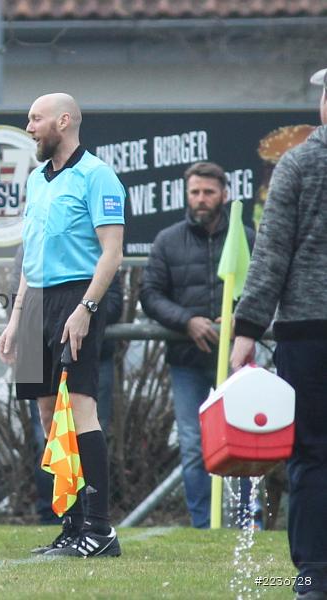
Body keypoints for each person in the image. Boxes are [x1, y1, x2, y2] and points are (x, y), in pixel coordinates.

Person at [0, 93, 124, 557]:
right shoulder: (36, 179)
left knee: (81, 410)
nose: (29, 127)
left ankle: (100, 530)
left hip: (76, 297)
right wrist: (16, 318)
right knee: (48, 415)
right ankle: (71, 527)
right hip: (35, 303)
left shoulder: (97, 175)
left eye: (36, 118)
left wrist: (86, 308)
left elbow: (112, 252)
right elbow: (31, 256)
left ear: (64, 121)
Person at [231, 67, 327, 600]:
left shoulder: (299, 163)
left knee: (311, 453)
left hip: (307, 332)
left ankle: (314, 573)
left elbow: (271, 253)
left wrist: (247, 328)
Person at [140, 161, 256, 529]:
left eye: (208, 192)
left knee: (244, 440)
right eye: (195, 192)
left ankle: (246, 525)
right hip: (187, 361)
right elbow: (150, 294)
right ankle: (203, 526)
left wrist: (242, 319)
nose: (201, 199)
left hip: (237, 361)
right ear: (186, 195)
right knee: (192, 445)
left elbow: (264, 287)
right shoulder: (167, 240)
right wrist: (186, 321)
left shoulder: (246, 238)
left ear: (224, 194)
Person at [9, 245, 122, 524]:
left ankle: (95, 523)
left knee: (82, 421)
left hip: (77, 326)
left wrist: (85, 308)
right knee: (47, 424)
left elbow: (114, 300)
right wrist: (15, 322)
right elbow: (21, 280)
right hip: (36, 318)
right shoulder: (31, 236)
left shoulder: (85, 244)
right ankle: (67, 519)